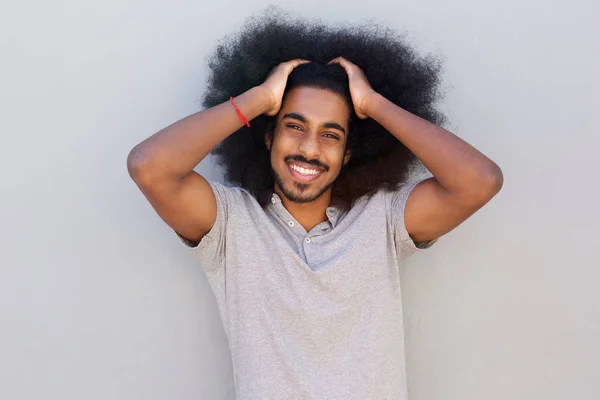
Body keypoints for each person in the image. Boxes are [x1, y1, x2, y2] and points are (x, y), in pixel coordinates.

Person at [127, 10, 503, 400]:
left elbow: (480, 180)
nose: (309, 148)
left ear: (347, 153)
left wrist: (373, 103)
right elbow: (148, 167)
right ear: (268, 137)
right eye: (295, 126)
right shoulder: (230, 224)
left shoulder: (383, 220)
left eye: (330, 134)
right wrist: (261, 98)